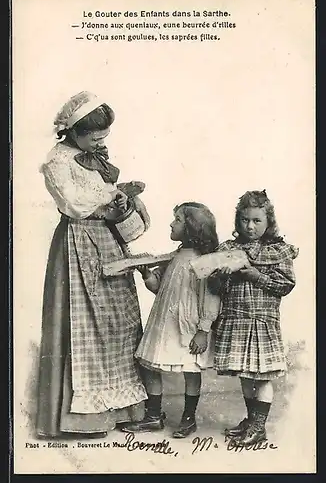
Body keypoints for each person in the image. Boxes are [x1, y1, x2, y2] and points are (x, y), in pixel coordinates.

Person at [36, 91, 149, 439]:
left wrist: (121, 197)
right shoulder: (58, 160)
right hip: (78, 241)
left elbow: (106, 192)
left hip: (108, 240)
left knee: (118, 321)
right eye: (95, 136)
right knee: (83, 322)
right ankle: (82, 419)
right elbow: (72, 204)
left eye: (104, 136)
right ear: (74, 132)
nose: (102, 142)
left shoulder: (94, 156)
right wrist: (109, 198)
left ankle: (128, 411)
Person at [121, 202, 221, 438]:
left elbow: (211, 297)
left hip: (188, 324)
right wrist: (147, 274)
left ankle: (188, 418)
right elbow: (160, 288)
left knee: (190, 368)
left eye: (177, 219)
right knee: (150, 364)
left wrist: (203, 329)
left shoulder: (206, 261)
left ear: (192, 228)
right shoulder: (174, 257)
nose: (171, 223)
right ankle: (153, 415)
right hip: (164, 321)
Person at [210, 190, 298, 446]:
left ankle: (259, 427)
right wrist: (222, 276)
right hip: (236, 321)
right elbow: (216, 290)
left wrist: (253, 275)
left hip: (261, 321)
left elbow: (285, 284)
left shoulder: (277, 250)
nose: (249, 226)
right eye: (244, 220)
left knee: (262, 376)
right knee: (247, 376)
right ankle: (251, 421)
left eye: (257, 220)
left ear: (269, 221)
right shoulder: (228, 249)